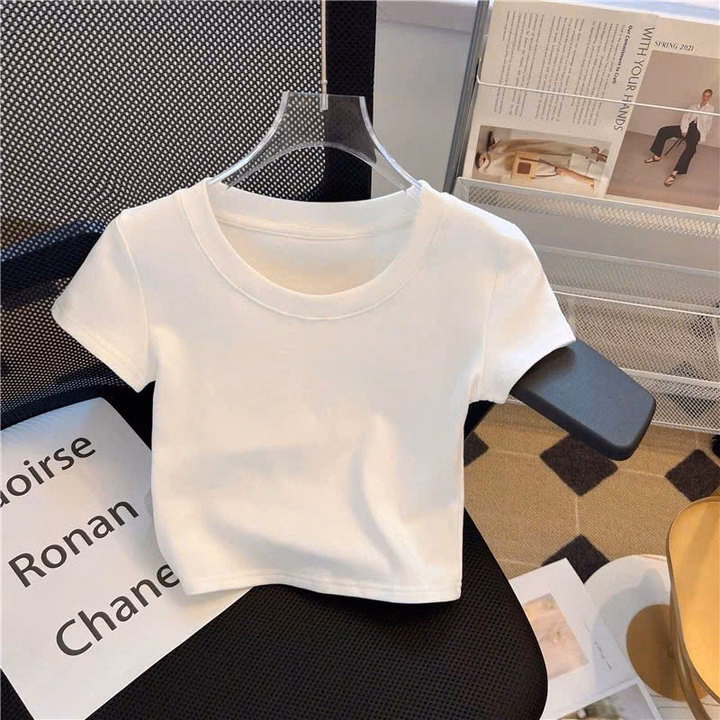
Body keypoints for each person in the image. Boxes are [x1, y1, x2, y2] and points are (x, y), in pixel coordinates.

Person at [645, 88, 715, 187]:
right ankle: (657, 156)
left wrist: (702, 135)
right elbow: (685, 117)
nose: (705, 98)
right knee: (663, 130)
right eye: (704, 95)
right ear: (702, 95)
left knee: (690, 149)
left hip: (697, 131)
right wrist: (684, 130)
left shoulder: (711, 109)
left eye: (707, 96)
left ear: (710, 97)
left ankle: (674, 173)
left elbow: (708, 124)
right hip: (686, 127)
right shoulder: (693, 106)